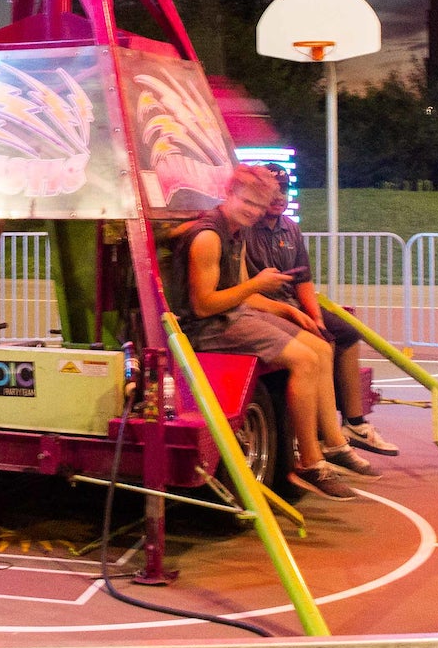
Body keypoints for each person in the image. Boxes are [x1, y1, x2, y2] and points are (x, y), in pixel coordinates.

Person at [169, 165, 377, 499]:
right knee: (305, 361)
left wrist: (288, 309)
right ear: (229, 193)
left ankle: (335, 445)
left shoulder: (236, 230)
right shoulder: (210, 236)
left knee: (322, 347)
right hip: (206, 329)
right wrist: (258, 283)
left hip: (233, 314)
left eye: (258, 205)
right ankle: (310, 461)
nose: (252, 211)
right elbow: (204, 306)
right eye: (247, 202)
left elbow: (242, 292)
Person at [243, 183, 397, 456]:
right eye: (273, 193)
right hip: (264, 308)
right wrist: (297, 315)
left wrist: (316, 315)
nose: (279, 198)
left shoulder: (290, 228)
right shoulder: (245, 229)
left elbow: (303, 279)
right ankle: (318, 436)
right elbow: (242, 292)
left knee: (345, 333)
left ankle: (353, 423)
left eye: (284, 191)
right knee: (316, 345)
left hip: (291, 304)